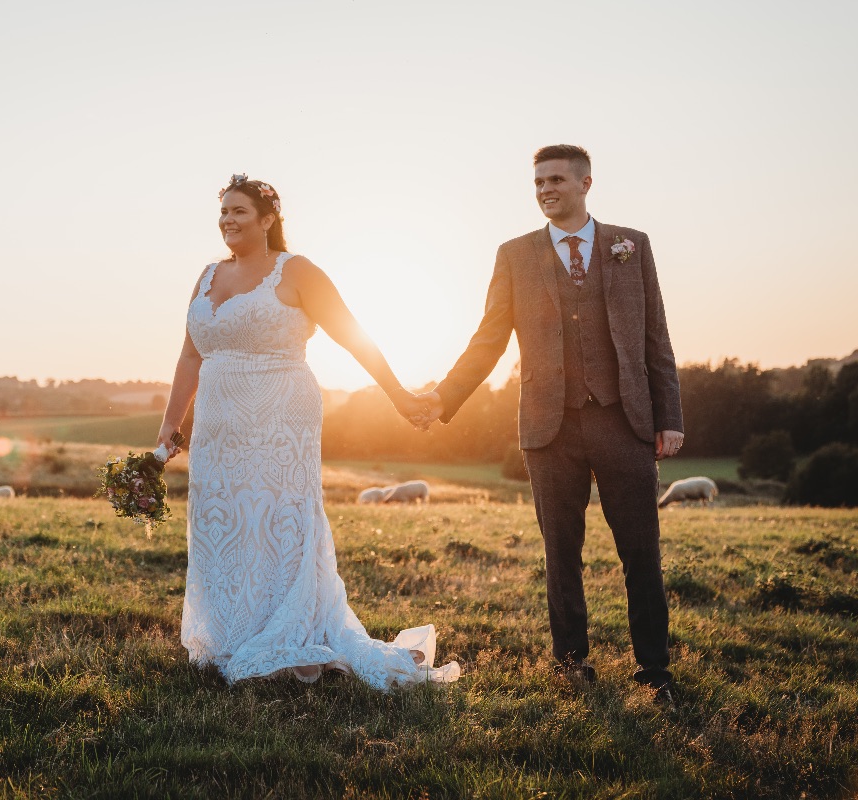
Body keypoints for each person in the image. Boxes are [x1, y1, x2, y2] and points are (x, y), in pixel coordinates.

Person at [157, 174, 460, 690]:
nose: (228, 221)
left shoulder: (296, 271)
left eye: (240, 212)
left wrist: (399, 395)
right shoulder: (208, 275)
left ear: (268, 219)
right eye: (223, 212)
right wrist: (169, 429)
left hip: (281, 414)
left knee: (281, 520)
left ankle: (292, 632)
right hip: (218, 421)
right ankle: (231, 634)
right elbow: (190, 353)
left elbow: (352, 335)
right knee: (224, 523)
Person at [415, 145, 683, 702]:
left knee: (641, 550)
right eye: (538, 182)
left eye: (556, 179)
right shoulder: (514, 255)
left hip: (625, 421)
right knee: (561, 552)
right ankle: (570, 665)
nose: (545, 190)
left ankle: (654, 669)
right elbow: (488, 340)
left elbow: (655, 333)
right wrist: (444, 398)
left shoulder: (631, 246)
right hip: (549, 428)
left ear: (587, 182)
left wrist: (669, 416)